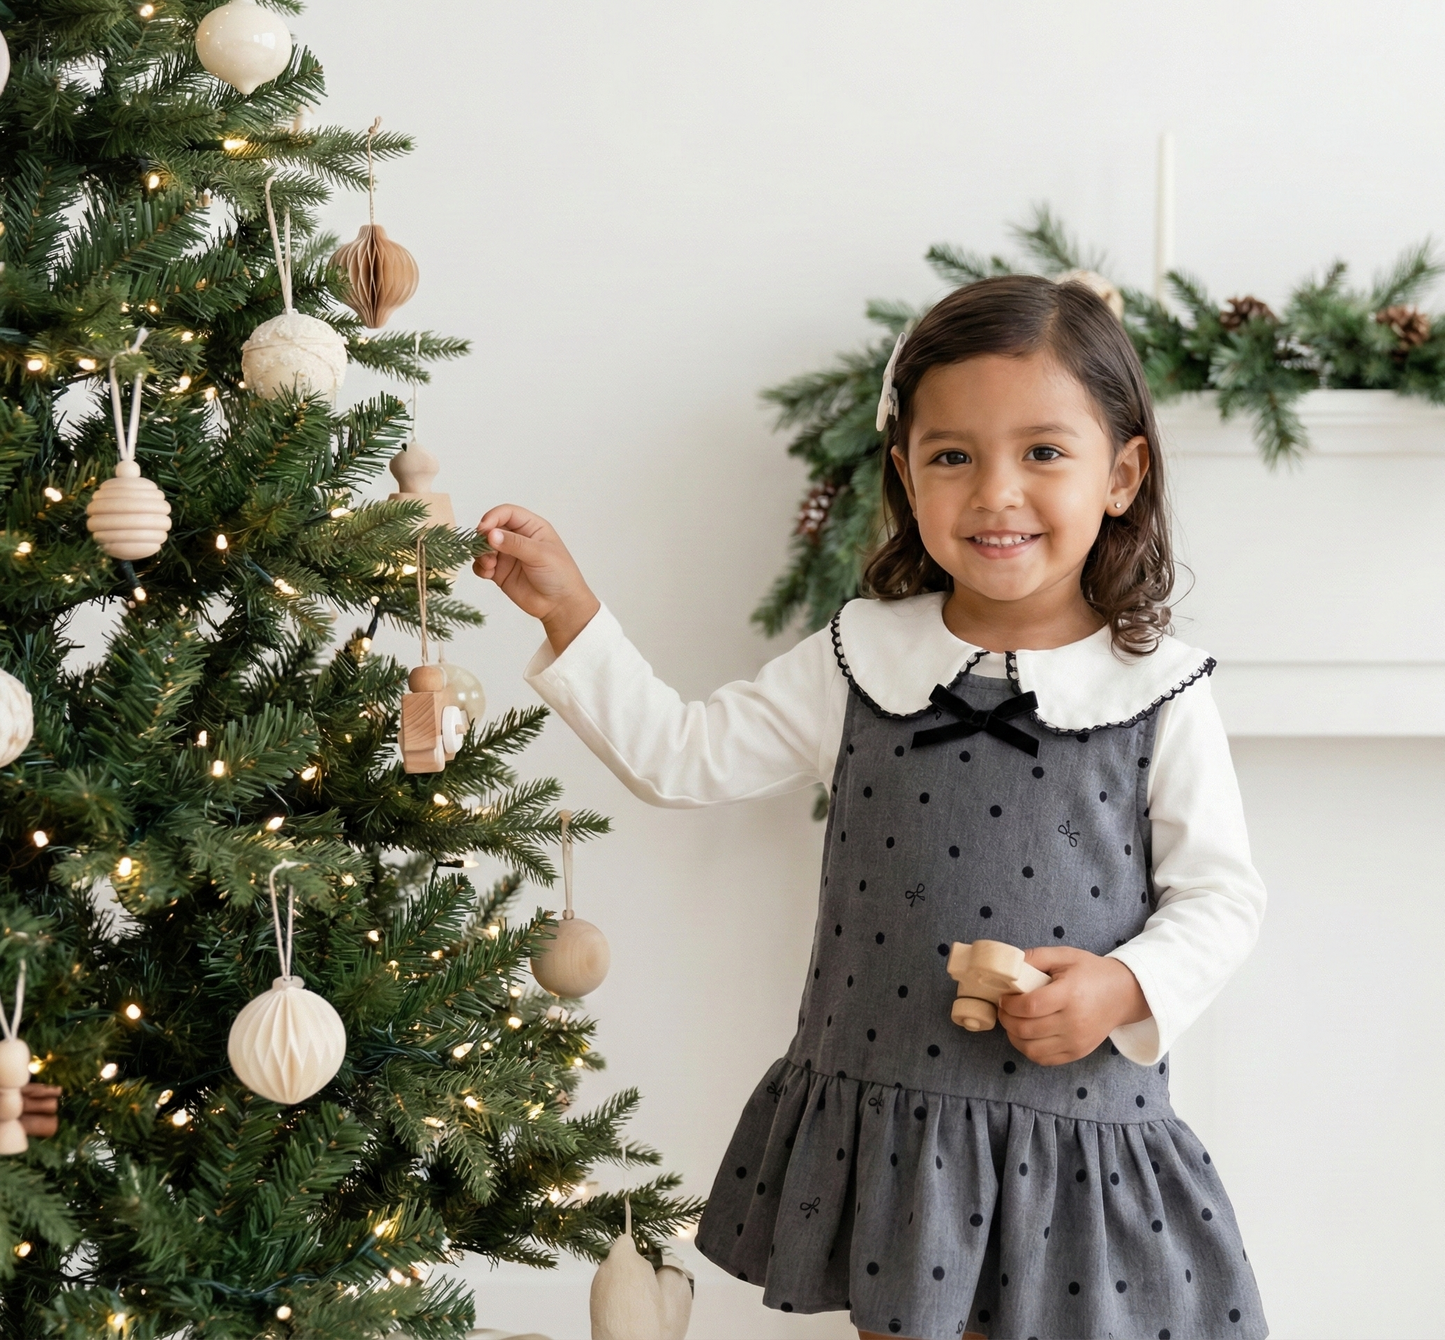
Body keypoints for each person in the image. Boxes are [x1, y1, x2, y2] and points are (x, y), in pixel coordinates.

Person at [474, 275, 1268, 1340]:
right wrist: (570, 611)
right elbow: (681, 756)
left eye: (1041, 452)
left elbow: (1220, 897)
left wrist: (1124, 984)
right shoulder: (861, 655)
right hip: (892, 1132)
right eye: (952, 456)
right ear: (904, 471)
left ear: (1120, 474)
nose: (995, 492)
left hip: (1072, 1136)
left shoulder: (1158, 690)